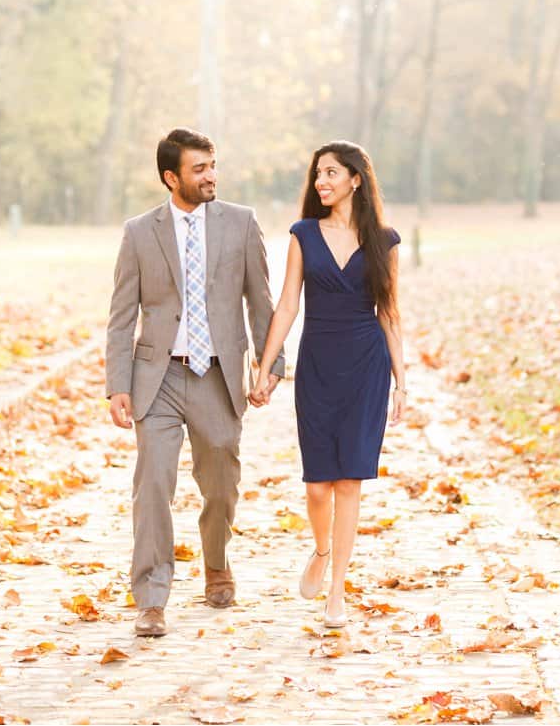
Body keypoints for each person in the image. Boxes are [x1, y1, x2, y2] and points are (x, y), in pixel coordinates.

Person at [105, 127, 285, 638]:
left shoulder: (241, 224)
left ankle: (217, 563)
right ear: (171, 177)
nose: (211, 176)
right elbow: (121, 316)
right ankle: (152, 597)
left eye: (213, 166)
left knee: (221, 482)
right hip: (156, 378)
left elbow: (261, 301)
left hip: (218, 374)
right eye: (199, 169)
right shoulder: (140, 233)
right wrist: (118, 382)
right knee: (154, 483)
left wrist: (270, 365)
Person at [250, 140, 406, 629]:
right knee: (318, 485)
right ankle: (320, 550)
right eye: (318, 174)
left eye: (332, 173)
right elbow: (287, 305)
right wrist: (265, 365)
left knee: (350, 480)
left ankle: (337, 588)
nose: (322, 182)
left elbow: (390, 312)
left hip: (366, 365)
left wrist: (402, 380)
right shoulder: (303, 234)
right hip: (318, 363)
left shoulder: (386, 241)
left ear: (356, 179)